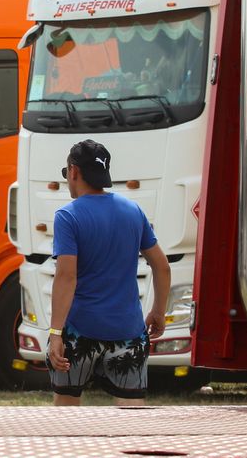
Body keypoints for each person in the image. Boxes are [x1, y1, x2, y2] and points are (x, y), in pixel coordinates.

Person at [47, 139, 171, 406]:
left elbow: (67, 277)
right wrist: (158, 312)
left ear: (73, 172)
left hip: (80, 331)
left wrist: (56, 333)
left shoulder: (67, 216)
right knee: (131, 421)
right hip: (128, 331)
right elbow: (161, 266)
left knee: (66, 419)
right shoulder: (133, 211)